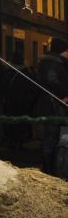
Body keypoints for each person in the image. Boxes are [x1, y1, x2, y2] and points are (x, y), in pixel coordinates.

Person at [34, 38, 68, 176]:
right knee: (51, 137)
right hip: (52, 105)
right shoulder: (52, 63)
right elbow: (52, 80)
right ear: (61, 51)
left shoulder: (55, 62)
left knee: (53, 137)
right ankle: (48, 169)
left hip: (54, 104)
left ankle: (52, 166)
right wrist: (64, 94)